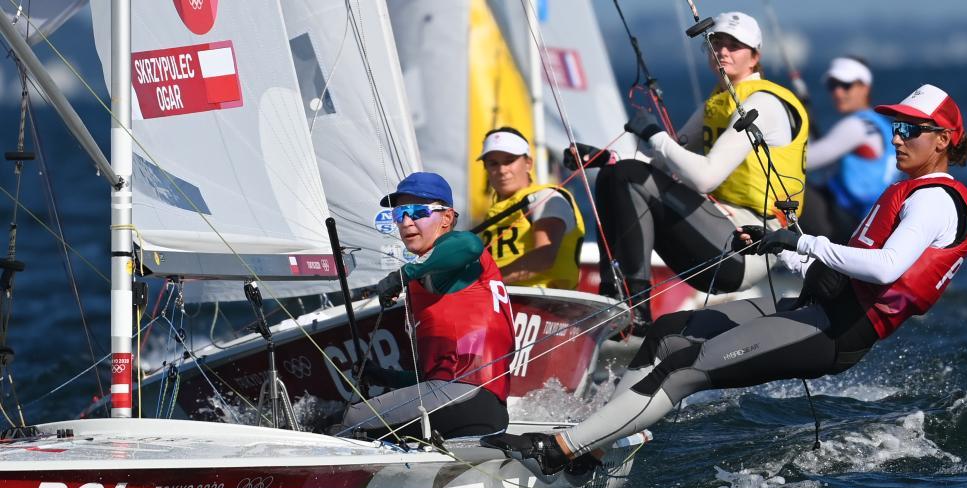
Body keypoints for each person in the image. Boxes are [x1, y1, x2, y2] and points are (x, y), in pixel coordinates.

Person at [485, 84, 967, 475]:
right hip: (816, 305)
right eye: (895, 126)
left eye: (911, 130)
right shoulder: (913, 190)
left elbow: (886, 268)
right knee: (668, 333)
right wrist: (777, 246)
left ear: (943, 140)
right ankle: (592, 449)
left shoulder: (933, 200)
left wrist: (801, 243)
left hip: (838, 329)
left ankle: (560, 450)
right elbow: (845, 265)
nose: (897, 137)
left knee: (683, 368)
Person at [591, 11, 809, 331]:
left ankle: (637, 313)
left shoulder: (763, 104)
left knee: (627, 176)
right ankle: (614, 298)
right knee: (613, 175)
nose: (723, 51)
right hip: (716, 232)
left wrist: (655, 134)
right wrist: (605, 157)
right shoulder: (718, 102)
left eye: (734, 45)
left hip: (749, 246)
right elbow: (662, 160)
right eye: (716, 43)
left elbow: (704, 177)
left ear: (755, 57)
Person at [339, 172, 516, 440]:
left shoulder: (455, 254)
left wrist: (402, 275)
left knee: (349, 421)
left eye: (417, 212)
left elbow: (470, 244)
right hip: (476, 408)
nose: (406, 222)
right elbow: (433, 380)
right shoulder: (429, 273)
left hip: (466, 398)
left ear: (447, 218)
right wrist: (384, 377)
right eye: (399, 214)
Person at [475, 127, 586, 289]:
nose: (502, 170)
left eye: (509, 161)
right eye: (493, 163)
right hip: (499, 297)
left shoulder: (546, 197)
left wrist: (482, 282)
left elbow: (544, 258)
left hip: (542, 300)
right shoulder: (491, 215)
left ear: (528, 163)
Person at [802, 56, 898, 242]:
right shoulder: (883, 126)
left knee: (782, 184)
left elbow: (802, 161)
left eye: (846, 85)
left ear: (865, 87)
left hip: (846, 222)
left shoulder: (856, 126)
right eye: (833, 85)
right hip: (869, 226)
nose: (838, 92)